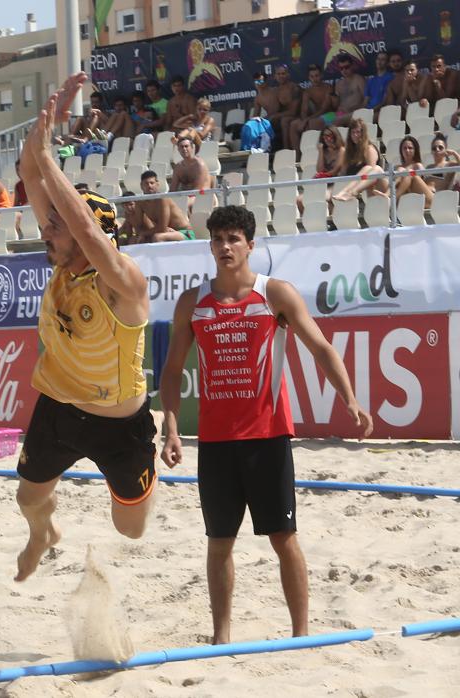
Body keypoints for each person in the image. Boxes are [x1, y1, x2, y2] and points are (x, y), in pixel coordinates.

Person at [158, 205, 373, 645]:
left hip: (268, 436)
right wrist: (172, 429)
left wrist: (349, 398)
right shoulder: (193, 302)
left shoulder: (274, 294)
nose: (225, 247)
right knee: (219, 540)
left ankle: (301, 634)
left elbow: (321, 348)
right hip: (216, 441)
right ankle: (221, 638)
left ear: (251, 245)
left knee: (283, 537)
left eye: (234, 239)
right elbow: (171, 369)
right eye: (218, 239)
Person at [13, 72, 158, 583]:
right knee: (28, 496)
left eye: (56, 226)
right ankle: (44, 534)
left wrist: (50, 163)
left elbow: (92, 236)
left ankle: (148, 467)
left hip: (122, 424)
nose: (44, 231)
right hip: (60, 407)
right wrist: (42, 133)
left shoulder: (124, 284)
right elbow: (32, 174)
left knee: (132, 529)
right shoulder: (62, 262)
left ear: (82, 232)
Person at [121, 170, 191, 243]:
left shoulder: (163, 199)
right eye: (146, 183)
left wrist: (143, 233)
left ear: (157, 184)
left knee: (158, 237)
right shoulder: (140, 202)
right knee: (133, 240)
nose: (149, 186)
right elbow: (139, 226)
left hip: (185, 233)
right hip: (166, 232)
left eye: (152, 183)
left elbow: (162, 228)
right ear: (141, 185)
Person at [332, 118, 388, 202]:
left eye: (358, 132)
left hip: (380, 187)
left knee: (369, 168)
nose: (355, 135)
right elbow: (343, 173)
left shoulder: (369, 149)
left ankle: (350, 192)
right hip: (367, 191)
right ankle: (346, 192)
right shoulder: (349, 152)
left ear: (363, 133)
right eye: (353, 132)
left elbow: (372, 175)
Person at [285, 65, 337, 151]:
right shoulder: (308, 91)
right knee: (293, 125)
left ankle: (315, 151)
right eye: (312, 76)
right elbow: (303, 111)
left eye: (317, 76)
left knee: (313, 122)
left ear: (321, 76)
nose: (315, 79)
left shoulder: (328, 88)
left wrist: (306, 120)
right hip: (316, 118)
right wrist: (304, 120)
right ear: (309, 78)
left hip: (331, 115)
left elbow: (324, 109)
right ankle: (297, 156)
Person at [393, 135, 436, 207]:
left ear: (415, 150)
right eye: (404, 148)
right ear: (401, 151)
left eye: (410, 148)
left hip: (425, 199)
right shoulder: (397, 167)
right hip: (410, 202)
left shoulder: (418, 166)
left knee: (409, 173)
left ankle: (393, 200)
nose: (407, 150)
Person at [170, 136, 213, 206]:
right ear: (178, 149)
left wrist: (181, 200)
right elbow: (172, 190)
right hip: (186, 197)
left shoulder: (199, 165)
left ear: (192, 147)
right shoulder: (178, 167)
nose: (184, 149)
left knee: (180, 205)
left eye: (186, 146)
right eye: (181, 147)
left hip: (203, 195)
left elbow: (197, 190)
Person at [267, 65, 301, 149]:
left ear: (288, 75)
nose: (281, 76)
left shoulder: (295, 88)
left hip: (299, 116)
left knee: (284, 120)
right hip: (285, 116)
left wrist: (275, 116)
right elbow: (274, 110)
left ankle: (287, 149)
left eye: (283, 73)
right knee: (264, 122)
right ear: (275, 76)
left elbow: (294, 111)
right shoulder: (276, 90)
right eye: (278, 74)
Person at [332, 56, 366, 128]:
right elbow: (336, 105)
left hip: (355, 112)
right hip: (340, 113)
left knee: (336, 121)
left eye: (346, 67)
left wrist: (354, 108)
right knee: (317, 122)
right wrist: (333, 100)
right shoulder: (338, 83)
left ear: (352, 66)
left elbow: (367, 100)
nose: (344, 70)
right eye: (341, 68)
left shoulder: (359, 79)